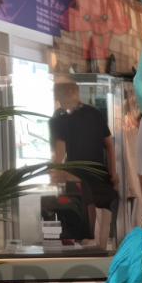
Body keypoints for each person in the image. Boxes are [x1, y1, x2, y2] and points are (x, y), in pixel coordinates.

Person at [49, 80, 119, 248]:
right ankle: (85, 242)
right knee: (82, 207)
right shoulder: (60, 116)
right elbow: (61, 146)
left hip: (96, 170)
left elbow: (108, 144)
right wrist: (58, 171)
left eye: (61, 96)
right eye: (58, 97)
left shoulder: (92, 113)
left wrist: (113, 172)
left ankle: (101, 243)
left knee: (100, 205)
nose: (60, 100)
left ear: (73, 92)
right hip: (76, 172)